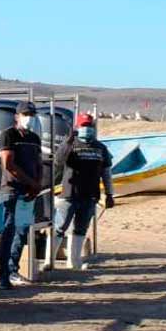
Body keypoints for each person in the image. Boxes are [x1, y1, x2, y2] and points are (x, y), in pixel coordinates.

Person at [52, 113, 115, 269]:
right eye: (83, 126)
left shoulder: (101, 148)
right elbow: (58, 161)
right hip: (68, 194)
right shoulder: (70, 145)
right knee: (60, 227)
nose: (86, 129)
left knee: (81, 228)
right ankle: (49, 261)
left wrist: (109, 194)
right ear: (77, 127)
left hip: (90, 195)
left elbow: (106, 173)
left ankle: (74, 261)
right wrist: (68, 141)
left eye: (88, 126)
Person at [0, 101, 43, 290]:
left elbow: (38, 163)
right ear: (17, 116)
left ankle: (13, 269)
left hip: (29, 192)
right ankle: (3, 275)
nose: (29, 118)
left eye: (32, 114)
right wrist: (30, 182)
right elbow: (8, 164)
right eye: (25, 114)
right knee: (7, 231)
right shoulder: (8, 135)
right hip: (12, 190)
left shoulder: (34, 137)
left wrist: (37, 184)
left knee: (22, 230)